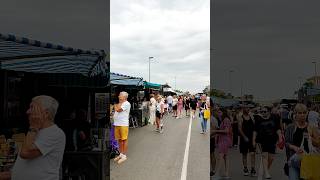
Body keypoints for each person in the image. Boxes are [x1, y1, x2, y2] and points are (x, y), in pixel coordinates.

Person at [9, 95, 66, 180]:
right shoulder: (36, 132)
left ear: (46, 113)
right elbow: (28, 167)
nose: (27, 111)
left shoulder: (55, 133)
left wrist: (33, 127)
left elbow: (25, 153)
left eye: (32, 108)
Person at [284, 103, 320, 180]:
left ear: (307, 113)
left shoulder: (312, 127)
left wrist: (310, 138)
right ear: (295, 114)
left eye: (304, 112)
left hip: (308, 161)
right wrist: (293, 147)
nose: (302, 115)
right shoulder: (290, 127)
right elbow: (286, 143)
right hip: (295, 161)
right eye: (300, 113)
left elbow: (318, 144)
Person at [253, 106, 283, 179]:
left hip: (272, 140)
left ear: (269, 112)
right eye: (262, 112)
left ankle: (266, 169)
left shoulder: (274, 118)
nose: (263, 113)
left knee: (271, 158)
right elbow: (255, 130)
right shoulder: (258, 119)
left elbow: (278, 129)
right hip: (261, 140)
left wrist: (280, 137)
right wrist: (253, 140)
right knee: (264, 155)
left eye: (265, 111)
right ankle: (266, 172)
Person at [213, 108, 232, 179]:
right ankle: (226, 174)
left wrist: (215, 130)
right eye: (218, 112)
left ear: (223, 112)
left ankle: (217, 174)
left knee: (220, 157)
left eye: (220, 112)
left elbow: (226, 131)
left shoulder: (226, 120)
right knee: (225, 157)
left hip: (224, 140)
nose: (218, 113)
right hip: (224, 140)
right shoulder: (224, 120)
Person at [113, 91, 131, 164]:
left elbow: (118, 109)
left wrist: (115, 105)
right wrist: (117, 105)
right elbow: (117, 108)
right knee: (119, 139)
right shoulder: (120, 103)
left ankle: (124, 155)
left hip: (123, 124)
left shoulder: (126, 103)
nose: (118, 96)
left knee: (124, 139)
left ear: (124, 97)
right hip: (117, 123)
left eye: (120, 95)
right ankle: (121, 154)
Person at [238, 107, 257, 177]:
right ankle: (245, 168)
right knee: (244, 154)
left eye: (248, 108)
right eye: (246, 108)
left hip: (251, 138)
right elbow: (239, 129)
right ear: (243, 109)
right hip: (244, 139)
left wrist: (254, 138)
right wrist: (244, 137)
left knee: (252, 153)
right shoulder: (241, 118)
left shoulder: (251, 117)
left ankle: (253, 168)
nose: (247, 109)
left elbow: (255, 126)